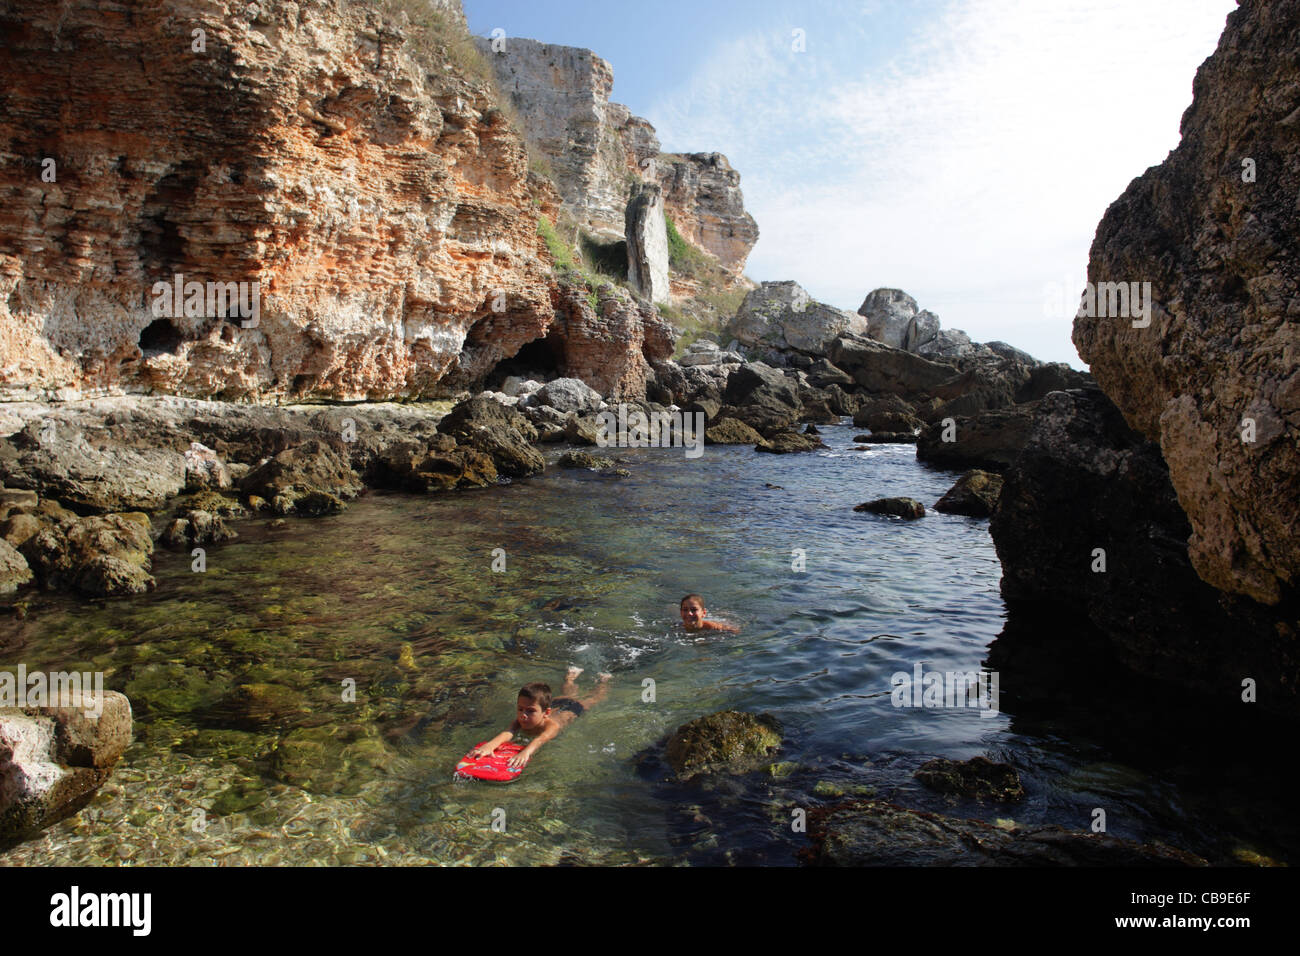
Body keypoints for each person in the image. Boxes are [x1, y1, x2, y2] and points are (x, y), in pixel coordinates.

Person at [468, 667, 611, 769]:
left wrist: (526, 752)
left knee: (593, 699)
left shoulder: (551, 726)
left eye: (530, 711)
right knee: (567, 694)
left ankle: (603, 680)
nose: (523, 715)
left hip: (572, 710)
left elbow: (540, 739)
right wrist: (490, 745)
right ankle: (571, 677)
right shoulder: (522, 719)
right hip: (555, 705)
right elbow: (507, 733)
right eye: (520, 709)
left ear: (545, 713)